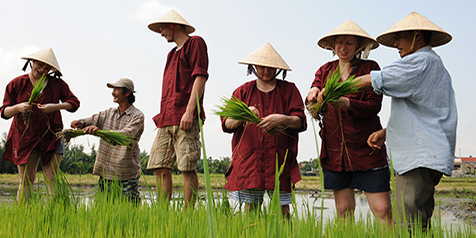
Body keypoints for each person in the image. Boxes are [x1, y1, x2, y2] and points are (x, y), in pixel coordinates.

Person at [352, 12, 457, 231]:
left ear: (417, 35)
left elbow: (378, 78)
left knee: (407, 225)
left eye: (400, 37)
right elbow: (424, 112)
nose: (396, 44)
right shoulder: (433, 64)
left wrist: (332, 90)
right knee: (418, 222)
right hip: (424, 155)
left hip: (417, 158)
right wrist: (387, 132)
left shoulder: (420, 61)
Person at [307, 20, 392, 224]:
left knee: (382, 210)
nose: (343, 48)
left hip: (366, 147)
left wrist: (347, 102)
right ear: (333, 46)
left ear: (359, 47)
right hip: (336, 151)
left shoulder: (370, 68)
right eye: (339, 43)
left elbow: (374, 106)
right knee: (344, 210)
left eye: (349, 43)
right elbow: (314, 90)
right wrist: (312, 94)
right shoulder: (325, 70)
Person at [222, 43, 306, 219]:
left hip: (280, 160)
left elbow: (300, 122)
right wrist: (244, 115)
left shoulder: (289, 90)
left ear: (277, 69)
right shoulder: (242, 91)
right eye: (261, 67)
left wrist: (282, 119)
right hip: (250, 161)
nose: (266, 71)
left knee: (282, 212)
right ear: (253, 67)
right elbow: (227, 124)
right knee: (251, 210)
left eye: (270, 68)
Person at [146, 9, 209, 210]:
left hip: (185, 116)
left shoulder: (195, 43)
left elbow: (200, 77)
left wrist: (190, 111)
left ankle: (188, 214)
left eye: (163, 28)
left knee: (187, 168)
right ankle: (162, 213)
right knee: (160, 166)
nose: (162, 33)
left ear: (173, 26)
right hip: (166, 119)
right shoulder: (171, 54)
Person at [0, 48, 80, 200]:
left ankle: (54, 215)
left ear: (50, 70)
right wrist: (18, 108)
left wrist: (54, 106)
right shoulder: (17, 83)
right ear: (32, 62)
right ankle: (24, 216)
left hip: (51, 136)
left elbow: (74, 104)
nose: (42, 69)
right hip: (25, 137)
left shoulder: (57, 84)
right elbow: (4, 112)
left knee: (52, 179)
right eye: (40, 64)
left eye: (47, 68)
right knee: (26, 180)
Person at [71, 78, 144, 202]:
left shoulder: (137, 116)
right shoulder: (109, 113)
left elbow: (126, 134)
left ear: (127, 93)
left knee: (129, 211)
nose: (113, 92)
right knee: (102, 208)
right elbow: (93, 120)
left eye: (116, 89)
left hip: (126, 172)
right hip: (106, 171)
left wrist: (99, 132)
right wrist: (81, 123)